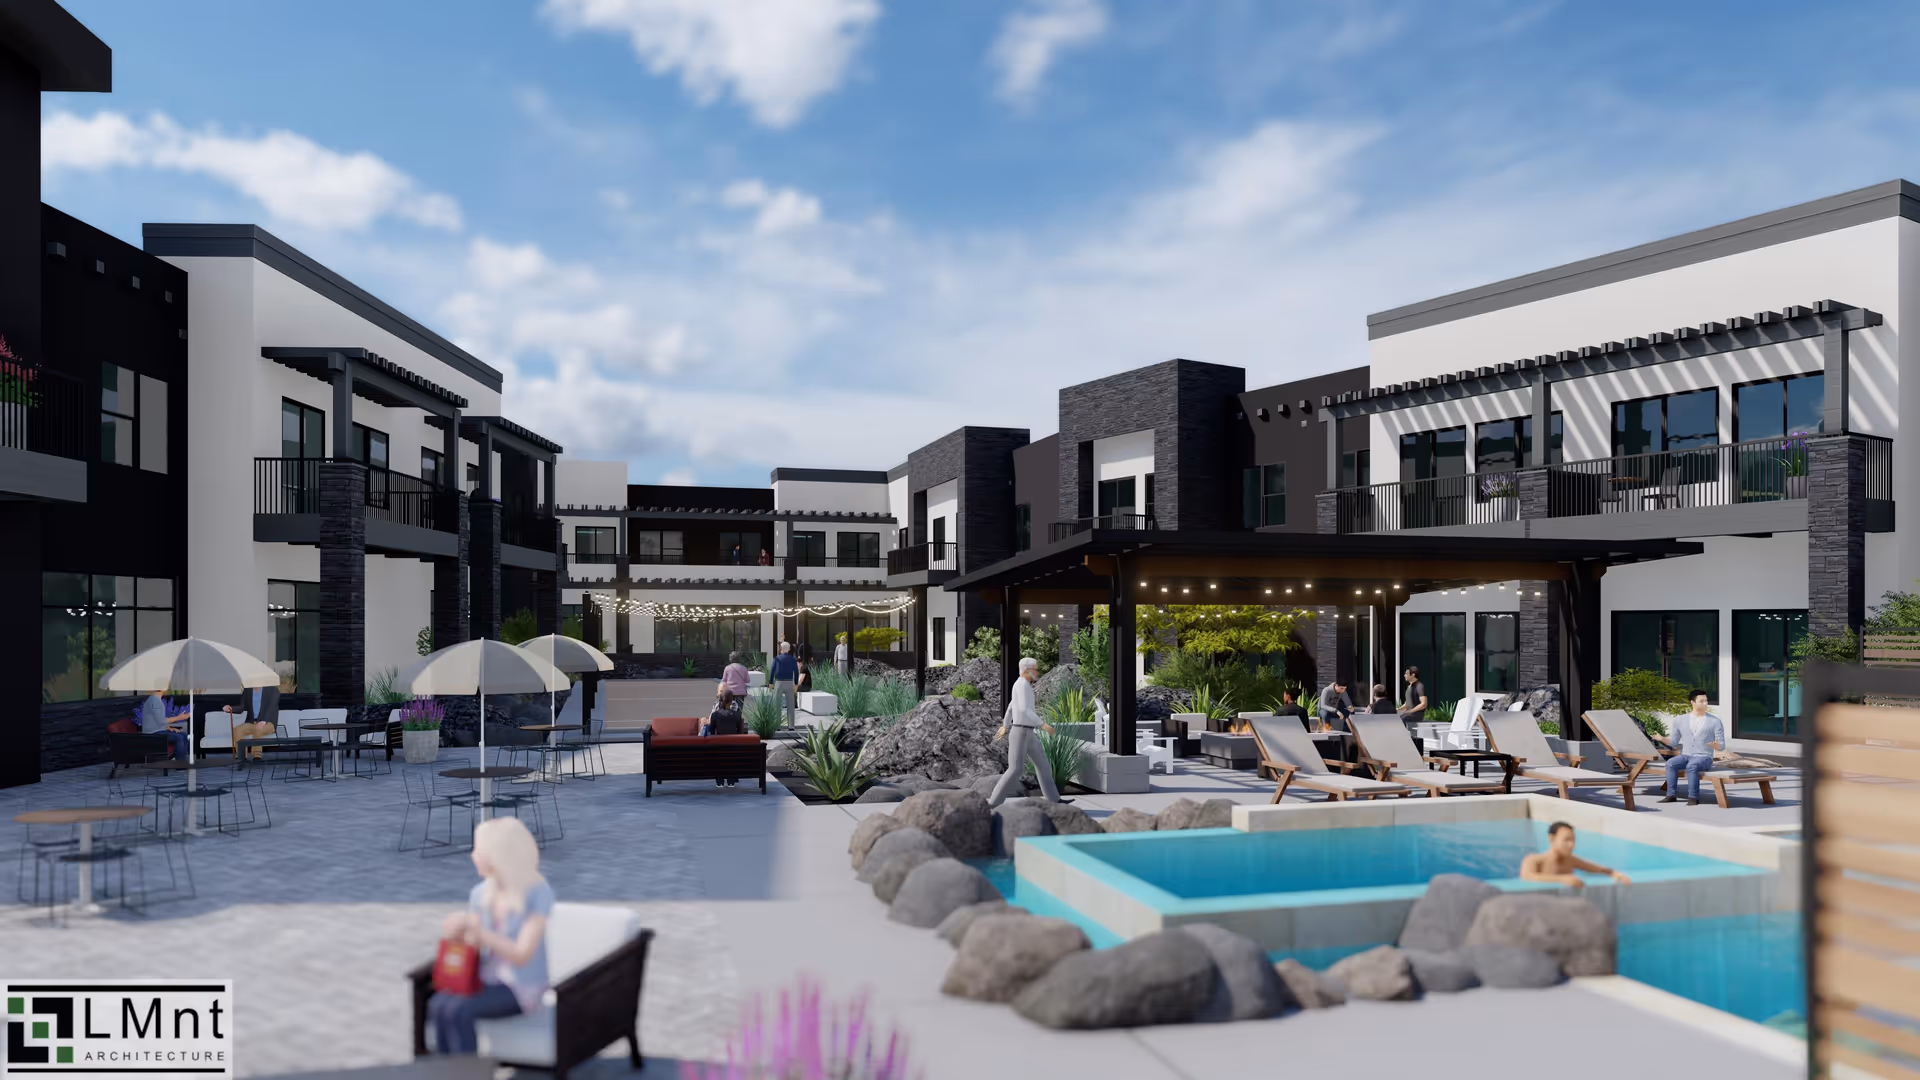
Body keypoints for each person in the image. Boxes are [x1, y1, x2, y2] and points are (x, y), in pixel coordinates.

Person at [426, 817, 553, 1056]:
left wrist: (482, 933)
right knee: (438, 1005)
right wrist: (456, 933)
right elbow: (473, 947)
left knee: (460, 1009)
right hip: (485, 976)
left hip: (521, 986)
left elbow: (522, 953)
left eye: (479, 850)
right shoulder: (480, 893)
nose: (473, 855)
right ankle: (444, 1071)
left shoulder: (537, 891)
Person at [988, 657, 1065, 807]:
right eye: (1035, 669)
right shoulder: (1022, 685)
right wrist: (1042, 725)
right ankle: (993, 802)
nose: (1037, 672)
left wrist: (1005, 725)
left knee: (1043, 765)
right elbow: (1023, 709)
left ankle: (1054, 800)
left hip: (1029, 733)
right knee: (1015, 769)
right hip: (1021, 732)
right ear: (1027, 670)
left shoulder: (1024, 686)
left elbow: (1011, 707)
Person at [1660, 689, 1724, 806]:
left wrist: (1717, 745)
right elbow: (1674, 741)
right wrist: (1661, 738)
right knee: (1670, 763)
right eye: (1702, 701)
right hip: (1686, 755)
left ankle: (1693, 797)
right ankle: (1671, 795)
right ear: (1692, 702)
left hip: (1704, 757)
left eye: (1706, 701)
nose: (1705, 703)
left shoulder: (1715, 721)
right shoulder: (1680, 720)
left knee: (1692, 765)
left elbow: (1721, 746)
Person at [1520, 821, 1631, 887]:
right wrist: (1563, 879)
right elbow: (1527, 876)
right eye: (1567, 840)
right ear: (1552, 839)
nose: (1571, 845)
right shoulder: (1534, 860)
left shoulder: (1570, 860)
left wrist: (1615, 874)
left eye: (1573, 840)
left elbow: (1597, 869)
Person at [705, 689, 746, 786]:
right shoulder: (737, 715)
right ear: (732, 701)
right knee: (732, 754)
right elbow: (740, 733)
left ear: (720, 700)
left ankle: (720, 781)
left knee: (718, 754)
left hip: (719, 750)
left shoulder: (715, 715)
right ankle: (731, 780)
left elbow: (711, 732)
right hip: (733, 751)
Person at [141, 692, 192, 761]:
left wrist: (169, 728)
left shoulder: (157, 700)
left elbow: (155, 721)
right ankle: (180, 765)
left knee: (183, 735)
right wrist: (179, 717)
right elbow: (161, 721)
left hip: (158, 730)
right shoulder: (154, 700)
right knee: (179, 737)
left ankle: (180, 760)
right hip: (152, 733)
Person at [769, 642, 798, 725]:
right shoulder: (793, 659)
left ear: (781, 649)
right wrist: (796, 683)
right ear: (789, 649)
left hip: (778, 682)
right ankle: (791, 726)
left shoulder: (777, 658)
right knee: (790, 705)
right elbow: (796, 672)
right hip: (789, 682)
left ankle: (777, 725)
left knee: (777, 705)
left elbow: (772, 671)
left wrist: (770, 682)